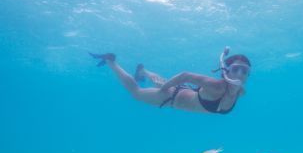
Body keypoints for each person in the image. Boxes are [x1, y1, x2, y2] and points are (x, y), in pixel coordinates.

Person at [90, 47, 250, 114]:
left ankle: (143, 71)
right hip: (170, 98)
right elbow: (185, 75)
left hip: (184, 92)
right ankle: (111, 62)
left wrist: (166, 86)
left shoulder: (240, 92)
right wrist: (163, 90)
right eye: (236, 69)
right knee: (136, 93)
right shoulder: (215, 85)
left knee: (163, 83)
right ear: (226, 71)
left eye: (245, 70)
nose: (240, 74)